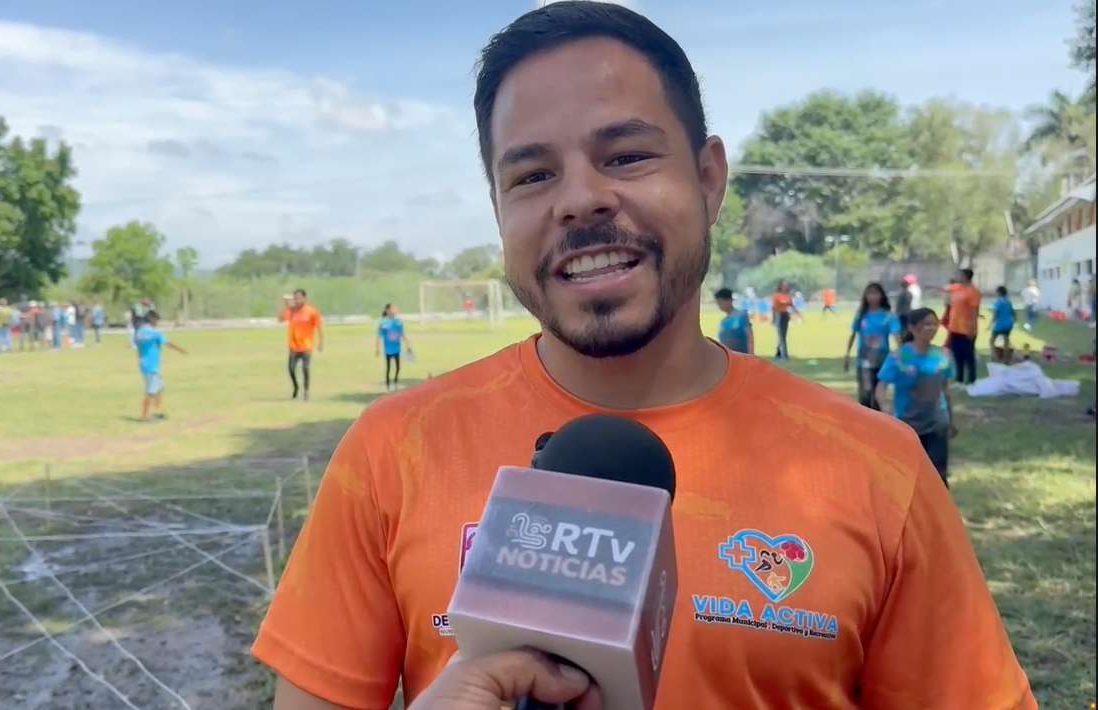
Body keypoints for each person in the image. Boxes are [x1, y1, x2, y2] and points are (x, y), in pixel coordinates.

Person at [256, 5, 1034, 709]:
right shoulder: (394, 451)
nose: (579, 199)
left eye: (625, 156)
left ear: (707, 179)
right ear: (500, 211)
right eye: (532, 175)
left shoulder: (880, 471)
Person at [877, 308, 957, 487]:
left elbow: (946, 389)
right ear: (912, 328)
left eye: (934, 324)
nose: (931, 328)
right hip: (908, 424)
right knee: (909, 474)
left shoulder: (943, 355)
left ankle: (939, 512)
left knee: (938, 474)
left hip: (937, 422)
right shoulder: (900, 356)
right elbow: (881, 387)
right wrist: (884, 406)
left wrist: (951, 420)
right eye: (926, 324)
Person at [843, 282, 900, 410]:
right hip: (864, 362)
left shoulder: (888, 316)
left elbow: (896, 336)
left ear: (881, 296)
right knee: (865, 395)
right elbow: (853, 334)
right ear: (866, 296)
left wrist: (903, 356)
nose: (873, 297)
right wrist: (847, 355)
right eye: (870, 293)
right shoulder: (862, 315)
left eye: (876, 293)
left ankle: (877, 424)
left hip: (882, 361)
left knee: (878, 396)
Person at [133, 310, 187, 422]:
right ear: (152, 320)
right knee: (151, 391)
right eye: (157, 320)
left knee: (159, 387)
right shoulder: (154, 333)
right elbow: (167, 344)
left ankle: (157, 411)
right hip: (152, 366)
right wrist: (181, 350)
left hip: (145, 364)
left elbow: (138, 348)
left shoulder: (138, 332)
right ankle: (145, 416)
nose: (158, 323)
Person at [278, 289, 324, 400]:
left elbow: (319, 327)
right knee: (291, 369)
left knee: (305, 368)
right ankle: (296, 387)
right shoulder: (291, 311)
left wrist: (321, 342)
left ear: (304, 298)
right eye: (295, 298)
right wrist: (286, 306)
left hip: (306, 346)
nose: (297, 300)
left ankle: (306, 391)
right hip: (293, 346)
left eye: (299, 298)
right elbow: (279, 319)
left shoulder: (312, 312)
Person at [946, 268, 981, 385]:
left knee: (968, 355)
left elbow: (974, 312)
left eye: (959, 275)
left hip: (966, 329)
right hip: (954, 328)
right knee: (957, 355)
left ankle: (971, 380)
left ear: (966, 277)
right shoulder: (957, 288)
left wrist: (972, 328)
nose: (957, 277)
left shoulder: (973, 292)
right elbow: (945, 288)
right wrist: (930, 286)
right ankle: (959, 379)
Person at [375, 303, 413, 391]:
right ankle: (388, 384)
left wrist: (407, 343)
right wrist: (377, 348)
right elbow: (379, 336)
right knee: (388, 368)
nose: (394, 310)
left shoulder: (398, 322)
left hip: (397, 348)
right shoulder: (383, 323)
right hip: (388, 349)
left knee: (398, 367)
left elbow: (402, 333)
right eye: (392, 309)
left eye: (395, 309)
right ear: (387, 311)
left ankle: (395, 381)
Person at [714, 287, 753, 354]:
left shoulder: (741, 315)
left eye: (720, 302)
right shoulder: (724, 321)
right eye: (718, 303)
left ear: (729, 300)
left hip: (742, 355)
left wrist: (751, 355)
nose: (719, 305)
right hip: (729, 357)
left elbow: (749, 336)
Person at [771, 279, 797, 360]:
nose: (785, 287)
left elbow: (792, 305)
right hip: (779, 315)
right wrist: (773, 318)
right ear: (780, 286)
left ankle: (778, 354)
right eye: (784, 285)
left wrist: (798, 314)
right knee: (781, 337)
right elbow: (774, 308)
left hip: (786, 316)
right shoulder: (776, 295)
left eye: (787, 285)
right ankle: (784, 355)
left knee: (783, 336)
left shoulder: (788, 296)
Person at [990, 286, 1016, 363]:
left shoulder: (998, 302)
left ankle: (995, 357)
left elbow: (995, 314)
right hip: (1008, 324)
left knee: (992, 341)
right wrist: (1014, 321)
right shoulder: (1008, 301)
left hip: (999, 325)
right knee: (1006, 341)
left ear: (999, 293)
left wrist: (991, 323)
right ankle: (1006, 359)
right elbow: (1013, 313)